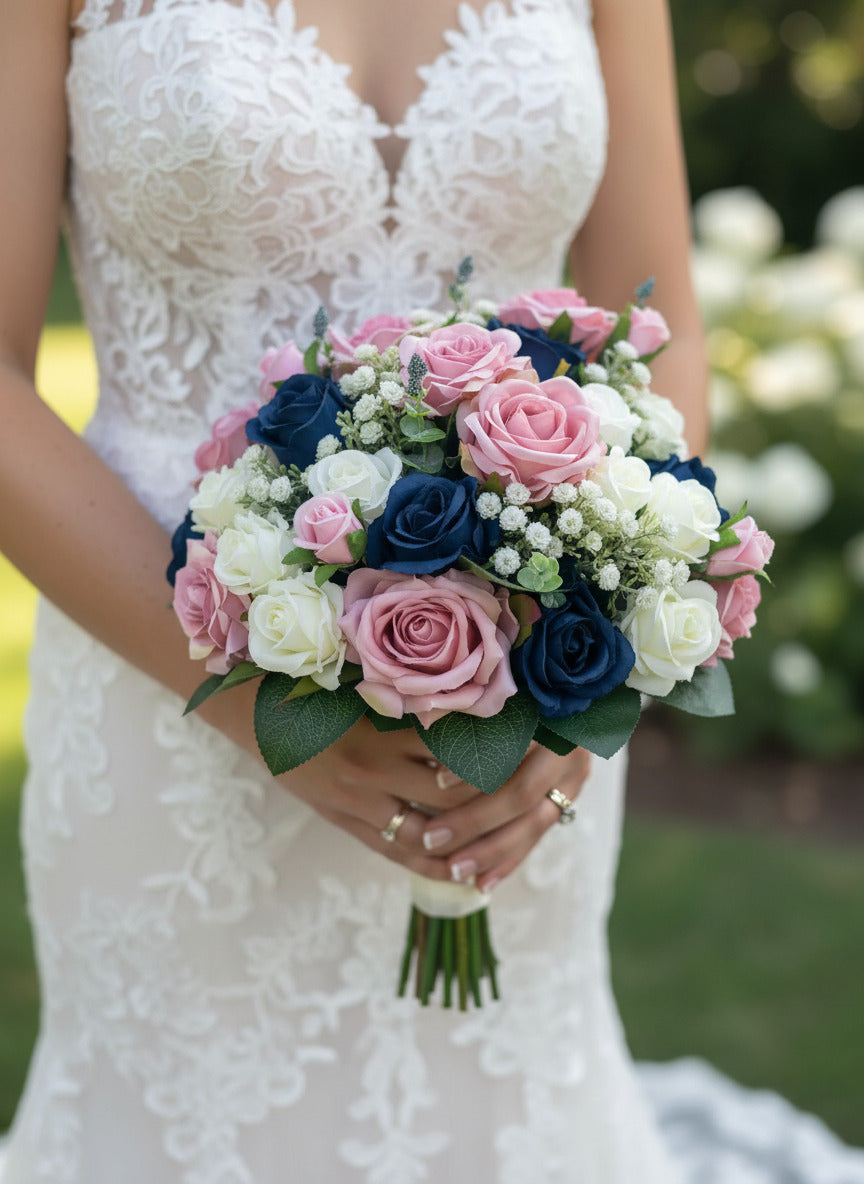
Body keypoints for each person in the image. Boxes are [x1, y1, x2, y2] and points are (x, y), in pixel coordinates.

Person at [3, 1, 862, 1182]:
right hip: (169, 693)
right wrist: (254, 702)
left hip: (526, 702)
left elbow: (655, 329)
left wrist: (592, 676)